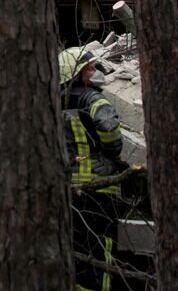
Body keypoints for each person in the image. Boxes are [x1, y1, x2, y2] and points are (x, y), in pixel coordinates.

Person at [59, 47, 125, 291]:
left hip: (67, 190)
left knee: (73, 253)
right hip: (99, 191)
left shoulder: (53, 103)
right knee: (100, 255)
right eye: (90, 68)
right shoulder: (92, 98)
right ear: (76, 74)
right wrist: (110, 155)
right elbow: (108, 126)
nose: (96, 71)